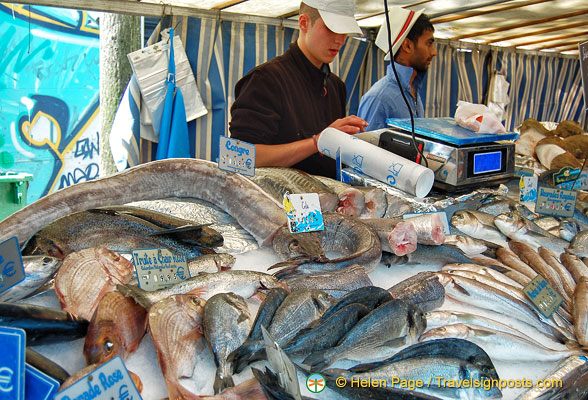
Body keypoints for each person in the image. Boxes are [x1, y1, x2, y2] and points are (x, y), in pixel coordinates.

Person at [229, 0, 368, 178]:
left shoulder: (336, 86)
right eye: (331, 28)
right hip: (276, 202)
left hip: (327, 201)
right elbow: (239, 157)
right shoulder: (265, 80)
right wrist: (317, 142)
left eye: (345, 31)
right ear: (304, 23)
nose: (340, 40)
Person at [358, 8, 437, 130]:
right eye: (429, 43)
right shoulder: (379, 98)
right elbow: (362, 147)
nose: (434, 52)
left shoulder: (413, 92)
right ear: (407, 45)